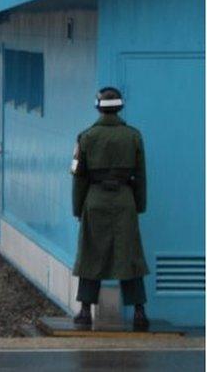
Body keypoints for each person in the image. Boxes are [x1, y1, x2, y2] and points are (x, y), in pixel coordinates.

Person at [71, 87, 150, 330]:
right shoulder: (133, 136)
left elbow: (79, 177)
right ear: (120, 107)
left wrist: (78, 208)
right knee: (130, 255)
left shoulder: (86, 137)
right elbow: (140, 175)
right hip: (125, 199)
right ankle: (139, 312)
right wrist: (139, 205)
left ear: (98, 107)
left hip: (95, 199)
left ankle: (85, 311)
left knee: (91, 252)